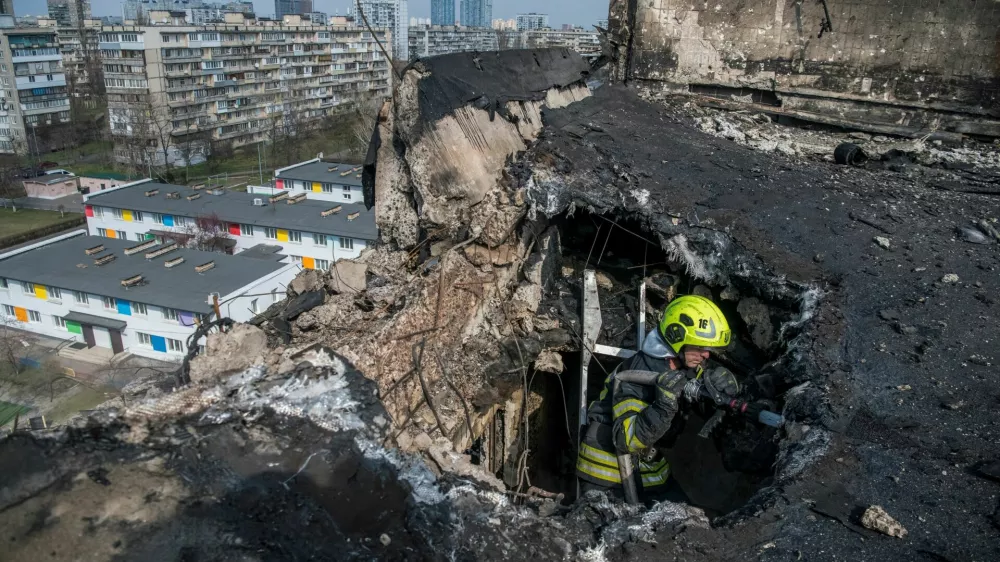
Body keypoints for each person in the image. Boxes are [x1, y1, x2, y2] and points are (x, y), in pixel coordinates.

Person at [576, 294, 741, 502]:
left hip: (650, 470)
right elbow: (625, 439)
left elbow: (701, 402)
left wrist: (724, 390)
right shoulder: (638, 372)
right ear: (677, 338)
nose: (706, 355)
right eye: (700, 347)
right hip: (607, 475)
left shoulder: (683, 367)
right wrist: (664, 405)